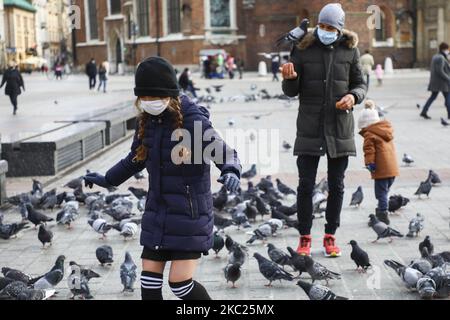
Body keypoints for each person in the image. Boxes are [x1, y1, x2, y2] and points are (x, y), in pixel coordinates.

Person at [83, 56, 241, 300]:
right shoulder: (146, 121)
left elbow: (224, 152)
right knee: (148, 282)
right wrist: (108, 179)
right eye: (143, 98)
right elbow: (135, 158)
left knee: (180, 285)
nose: (148, 102)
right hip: (158, 213)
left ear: (169, 94)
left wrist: (230, 170)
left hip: (189, 216)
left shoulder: (192, 119)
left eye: (153, 97)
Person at [281, 3, 367, 257]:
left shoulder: (350, 50)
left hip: (339, 127)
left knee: (337, 185)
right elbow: (290, 92)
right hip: (309, 125)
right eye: (322, 26)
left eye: (331, 27)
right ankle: (305, 237)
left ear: (339, 29)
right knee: (305, 185)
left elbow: (361, 84)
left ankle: (330, 236)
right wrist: (289, 79)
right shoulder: (303, 47)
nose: (325, 30)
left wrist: (353, 96)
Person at [358, 100, 398, 225]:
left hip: (381, 169)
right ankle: (380, 211)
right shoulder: (385, 129)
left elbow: (369, 151)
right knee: (384, 192)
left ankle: (382, 216)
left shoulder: (370, 134)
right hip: (392, 169)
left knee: (381, 194)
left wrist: (370, 164)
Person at [418, 42, 450, 120]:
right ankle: (449, 113)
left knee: (433, 97)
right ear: (444, 49)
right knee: (448, 97)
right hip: (442, 82)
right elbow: (440, 71)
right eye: (447, 49)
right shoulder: (441, 58)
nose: (448, 51)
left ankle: (424, 111)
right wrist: (448, 78)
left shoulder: (436, 56)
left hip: (436, 82)